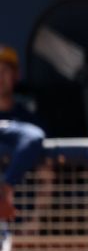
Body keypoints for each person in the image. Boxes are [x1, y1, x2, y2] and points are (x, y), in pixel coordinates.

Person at [0, 45, 46, 221]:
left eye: (4, 71)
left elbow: (46, 177)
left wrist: (33, 222)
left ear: (16, 75)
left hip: (18, 219)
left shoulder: (30, 120)